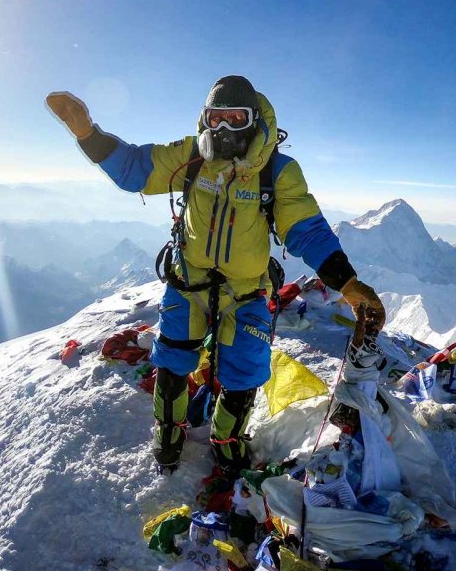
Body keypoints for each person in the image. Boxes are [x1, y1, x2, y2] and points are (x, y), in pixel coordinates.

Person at [47, 75, 384, 473]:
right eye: (215, 118)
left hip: (246, 292)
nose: (222, 129)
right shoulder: (191, 156)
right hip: (187, 282)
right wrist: (88, 134)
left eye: (234, 118)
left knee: (244, 372)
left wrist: (345, 282)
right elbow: (137, 168)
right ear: (204, 119)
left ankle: (227, 441)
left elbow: (305, 228)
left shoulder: (276, 171)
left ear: (253, 120)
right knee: (172, 361)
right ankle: (168, 433)